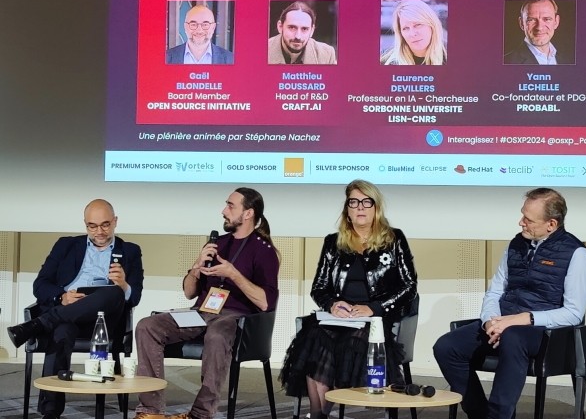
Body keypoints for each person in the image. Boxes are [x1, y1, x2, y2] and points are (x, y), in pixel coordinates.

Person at [433, 188, 586, 419]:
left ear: (551, 224)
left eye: (528, 219)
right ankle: (480, 414)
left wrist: (522, 319)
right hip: (504, 325)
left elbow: (573, 314)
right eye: (522, 215)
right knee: (447, 346)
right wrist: (491, 321)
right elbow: (494, 292)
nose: (521, 223)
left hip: (547, 334)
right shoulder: (515, 245)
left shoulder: (576, 254)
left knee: (514, 336)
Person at [134, 187, 280, 419]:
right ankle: (151, 411)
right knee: (147, 326)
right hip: (201, 313)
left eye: (231, 206)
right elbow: (189, 292)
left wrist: (233, 274)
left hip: (234, 317)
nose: (224, 211)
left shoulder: (264, 251)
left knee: (217, 334)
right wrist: (196, 267)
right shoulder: (216, 244)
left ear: (248, 213)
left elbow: (265, 302)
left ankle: (201, 414)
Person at [280, 179, 418, 419]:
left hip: (376, 319)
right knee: (315, 338)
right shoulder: (333, 242)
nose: (360, 207)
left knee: (352, 341)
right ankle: (318, 414)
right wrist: (332, 304)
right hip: (338, 317)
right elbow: (319, 288)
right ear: (347, 209)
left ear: (376, 208)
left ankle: (325, 412)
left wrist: (373, 308)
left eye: (366, 202)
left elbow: (409, 286)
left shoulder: (394, 239)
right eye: (354, 202)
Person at [7, 199, 144, 419]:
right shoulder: (66, 245)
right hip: (68, 315)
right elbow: (40, 285)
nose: (99, 231)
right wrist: (62, 296)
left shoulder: (130, 251)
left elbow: (134, 296)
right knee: (61, 331)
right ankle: (51, 411)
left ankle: (39, 324)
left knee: (113, 292)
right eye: (92, 226)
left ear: (115, 221)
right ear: (85, 225)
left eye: (105, 225)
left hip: (104, 321)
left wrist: (124, 285)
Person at [268, 1, 337, 65]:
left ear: (312, 30)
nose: (298, 36)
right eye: (292, 27)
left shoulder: (326, 55)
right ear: (280, 27)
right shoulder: (261, 51)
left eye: (304, 29)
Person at [381, 0, 447, 65]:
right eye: (405, 28)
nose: (412, 34)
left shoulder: (452, 57)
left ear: (432, 25)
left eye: (418, 25)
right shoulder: (387, 62)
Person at [504, 0, 567, 65]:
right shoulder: (508, 62)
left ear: (556, 22)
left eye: (547, 19)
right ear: (522, 23)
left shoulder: (567, 59)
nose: (539, 28)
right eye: (531, 20)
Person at [166, 4, 234, 65]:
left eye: (205, 24)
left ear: (213, 27)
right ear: (185, 27)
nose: (199, 30)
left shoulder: (230, 60)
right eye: (193, 24)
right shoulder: (166, 58)